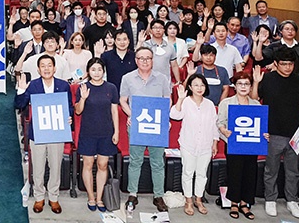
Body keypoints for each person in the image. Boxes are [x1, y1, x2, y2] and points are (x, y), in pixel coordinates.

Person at [251, 48, 299, 219]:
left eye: (290, 64)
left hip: (296, 133)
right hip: (273, 132)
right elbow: (255, 98)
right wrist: (256, 82)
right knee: (271, 169)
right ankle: (270, 199)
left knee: (293, 170)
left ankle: (291, 200)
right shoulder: (269, 79)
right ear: (276, 64)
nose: (287, 67)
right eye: (284, 64)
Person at [15, 54, 72, 214]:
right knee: (38, 167)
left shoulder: (63, 85)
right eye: (43, 66)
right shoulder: (33, 85)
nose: (46, 68)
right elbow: (19, 104)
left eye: (49, 65)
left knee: (55, 166)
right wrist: (21, 89)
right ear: (38, 69)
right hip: (38, 133)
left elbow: (69, 106)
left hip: (57, 133)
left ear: (54, 68)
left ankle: (53, 197)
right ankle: (39, 197)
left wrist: (69, 117)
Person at [120, 47, 171, 212]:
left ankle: (158, 196)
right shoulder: (127, 78)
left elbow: (167, 100)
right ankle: (132, 194)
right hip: (137, 126)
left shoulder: (162, 78)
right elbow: (123, 101)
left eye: (148, 58)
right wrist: (132, 116)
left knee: (157, 163)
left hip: (157, 127)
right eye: (141, 58)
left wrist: (164, 118)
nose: (145, 61)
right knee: (135, 161)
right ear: (136, 60)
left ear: (152, 60)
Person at [170, 74, 219, 216]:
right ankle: (188, 200)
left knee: (202, 174)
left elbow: (213, 125)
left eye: (202, 85)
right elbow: (175, 115)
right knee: (188, 173)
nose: (199, 88)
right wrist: (179, 99)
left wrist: (215, 142)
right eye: (196, 85)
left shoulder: (209, 105)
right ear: (190, 87)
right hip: (188, 143)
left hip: (206, 144)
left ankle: (199, 199)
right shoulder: (185, 102)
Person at [217, 71, 263, 220]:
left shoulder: (256, 104)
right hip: (233, 144)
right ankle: (234, 203)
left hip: (251, 145)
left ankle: (245, 203)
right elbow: (220, 122)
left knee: (250, 173)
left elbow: (261, 125)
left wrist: (265, 134)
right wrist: (224, 130)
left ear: (250, 87)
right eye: (240, 84)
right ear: (234, 86)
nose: (243, 87)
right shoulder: (227, 102)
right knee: (235, 174)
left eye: (246, 84)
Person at [75, 58, 119, 212]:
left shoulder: (111, 88)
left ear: (103, 71)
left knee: (103, 165)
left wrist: (117, 131)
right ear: (88, 72)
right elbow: (78, 111)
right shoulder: (83, 87)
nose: (96, 72)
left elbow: (114, 111)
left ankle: (100, 198)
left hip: (106, 132)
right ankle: (90, 197)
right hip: (88, 132)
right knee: (87, 165)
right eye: (93, 69)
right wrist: (83, 98)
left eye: (99, 69)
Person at [143, 20, 181, 84]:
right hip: (147, 82)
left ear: (164, 30)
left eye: (160, 28)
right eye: (155, 28)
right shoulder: (145, 45)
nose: (158, 30)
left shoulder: (170, 47)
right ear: (151, 30)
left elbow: (174, 65)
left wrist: (178, 81)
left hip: (165, 82)